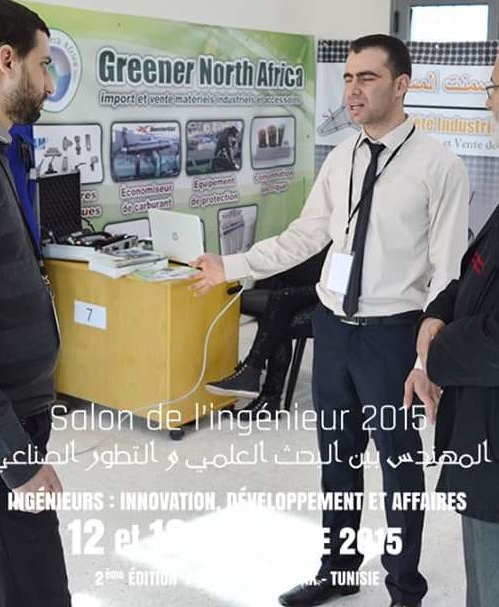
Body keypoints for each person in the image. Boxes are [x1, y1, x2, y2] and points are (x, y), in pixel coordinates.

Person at [191, 34, 469, 607]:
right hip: (334, 330)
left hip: (394, 336)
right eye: (347, 78)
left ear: (401, 85)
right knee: (337, 463)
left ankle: (404, 585)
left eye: (367, 78)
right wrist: (233, 266)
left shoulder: (439, 166)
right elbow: (306, 236)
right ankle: (337, 570)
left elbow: (447, 271)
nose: (352, 90)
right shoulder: (342, 157)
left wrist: (426, 359)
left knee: (399, 468)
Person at [417, 55, 499, 607]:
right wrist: (436, 316)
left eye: (495, 87)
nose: (488, 100)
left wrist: (436, 354)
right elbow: (475, 270)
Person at [0, 0, 71, 606]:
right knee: (36, 587)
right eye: (44, 65)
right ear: (7, 60)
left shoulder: (3, 153)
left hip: (19, 413)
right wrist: (16, 460)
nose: (49, 85)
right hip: (7, 430)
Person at [206, 245, 329, 418]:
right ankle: (260, 385)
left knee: (278, 312)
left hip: (338, 296)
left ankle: (259, 382)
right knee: (277, 303)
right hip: (319, 282)